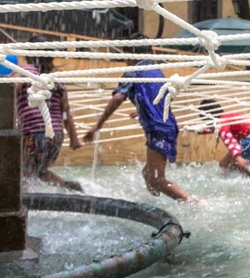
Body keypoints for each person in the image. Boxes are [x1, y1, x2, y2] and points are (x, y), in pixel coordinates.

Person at [83, 37, 195, 202]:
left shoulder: (135, 70)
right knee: (148, 175)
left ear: (132, 53)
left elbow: (117, 98)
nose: (125, 61)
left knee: (157, 180)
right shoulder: (156, 69)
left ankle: (194, 203)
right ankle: (159, 205)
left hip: (158, 129)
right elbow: (163, 96)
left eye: (126, 55)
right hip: (166, 126)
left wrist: (97, 126)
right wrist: (143, 109)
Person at [17, 56, 83, 192]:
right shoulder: (55, 79)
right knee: (41, 171)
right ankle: (70, 188)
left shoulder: (25, 71)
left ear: (27, 56)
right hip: (55, 135)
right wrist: (74, 139)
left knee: (23, 172)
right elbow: (66, 112)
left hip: (33, 132)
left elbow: (11, 90)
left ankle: (24, 204)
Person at [197, 99, 250, 176]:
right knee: (229, 165)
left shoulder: (222, 122)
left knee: (225, 164)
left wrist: (237, 157)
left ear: (208, 118)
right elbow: (215, 129)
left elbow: (228, 138)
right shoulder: (229, 118)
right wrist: (197, 131)